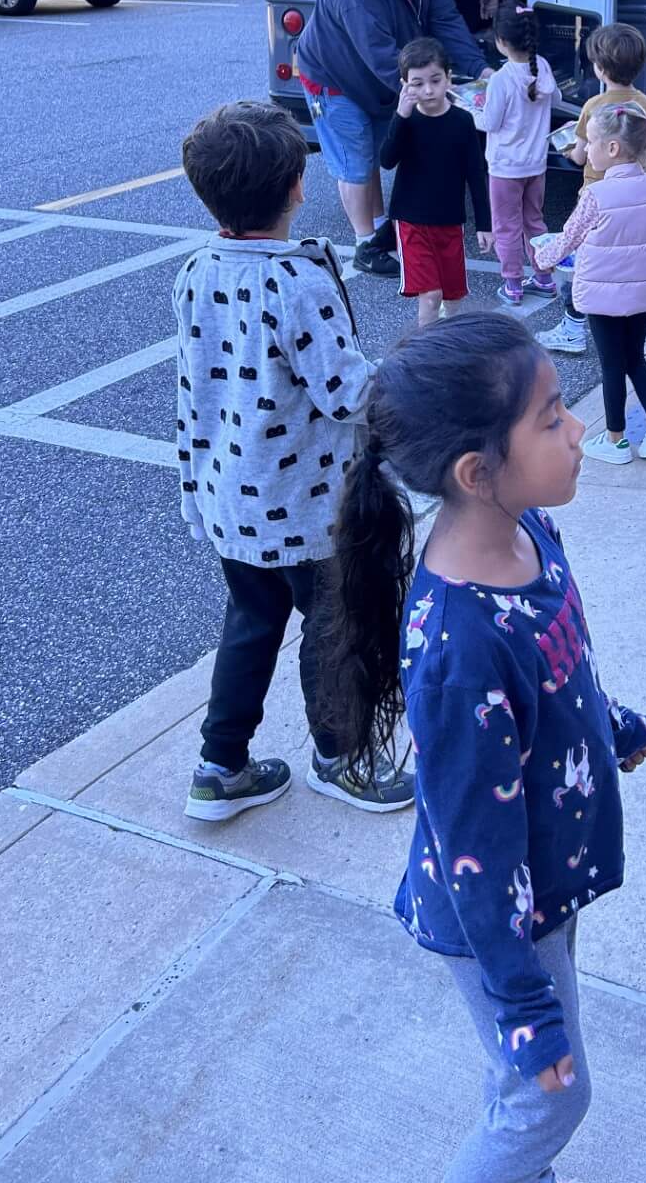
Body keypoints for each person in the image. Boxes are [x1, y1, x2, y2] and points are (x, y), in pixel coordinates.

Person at [323, 314, 646, 1183]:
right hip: (498, 913)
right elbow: (475, 850)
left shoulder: (530, 536)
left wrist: (608, 726)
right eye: (552, 418)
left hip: (541, 883)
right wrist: (523, 1004)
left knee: (526, 1085)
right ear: (478, 473)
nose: (580, 428)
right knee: (552, 1094)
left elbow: (561, 676)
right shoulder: (460, 648)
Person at [173, 101, 414, 818]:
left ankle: (221, 766)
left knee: (250, 622)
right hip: (309, 506)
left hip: (232, 497)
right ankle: (339, 755)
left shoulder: (196, 269)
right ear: (296, 188)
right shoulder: (296, 282)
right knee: (335, 625)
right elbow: (346, 393)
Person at [292, 0, 490, 278]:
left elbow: (445, 19)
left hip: (375, 77)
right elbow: (379, 52)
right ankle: (365, 245)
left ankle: (383, 230)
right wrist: (432, 94)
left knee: (377, 150)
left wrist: (479, 69)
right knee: (356, 161)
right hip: (334, 78)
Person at [534, 104, 646, 467]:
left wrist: (542, 258)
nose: (588, 150)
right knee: (635, 358)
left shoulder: (596, 195)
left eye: (592, 142)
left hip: (603, 295)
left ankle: (615, 438)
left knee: (612, 364)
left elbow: (568, 238)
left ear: (612, 149)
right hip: (644, 292)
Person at [537, 23, 646, 360]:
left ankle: (573, 329)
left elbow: (579, 155)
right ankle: (638, 336)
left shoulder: (594, 106)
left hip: (596, 197)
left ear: (600, 69)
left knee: (586, 265)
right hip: (632, 198)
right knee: (628, 267)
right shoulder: (644, 103)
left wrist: (569, 149)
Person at [380, 37, 493, 326]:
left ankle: (443, 341)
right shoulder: (406, 120)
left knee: (452, 297)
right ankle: (424, 358)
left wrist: (484, 224)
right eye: (417, 83)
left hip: (449, 222)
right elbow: (387, 160)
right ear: (404, 84)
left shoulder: (462, 121)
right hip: (411, 220)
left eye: (435, 80)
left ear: (449, 79)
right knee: (430, 294)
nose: (427, 90)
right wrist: (401, 116)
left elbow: (476, 174)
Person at [475, 4, 561, 308]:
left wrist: (473, 109)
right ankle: (544, 276)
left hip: (505, 168)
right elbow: (555, 97)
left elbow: (490, 123)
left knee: (506, 226)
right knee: (534, 222)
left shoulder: (501, 79)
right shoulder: (543, 67)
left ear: (500, 41)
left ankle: (512, 284)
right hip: (536, 164)